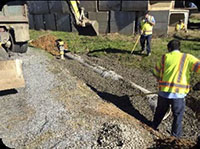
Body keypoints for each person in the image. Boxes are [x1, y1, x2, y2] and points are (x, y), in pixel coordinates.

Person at [152, 39, 200, 138]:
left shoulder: (164, 57)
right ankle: (175, 139)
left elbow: (155, 72)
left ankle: (152, 129)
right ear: (179, 48)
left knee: (159, 112)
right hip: (178, 95)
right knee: (177, 116)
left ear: (169, 48)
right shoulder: (187, 57)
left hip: (163, 93)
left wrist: (160, 81)